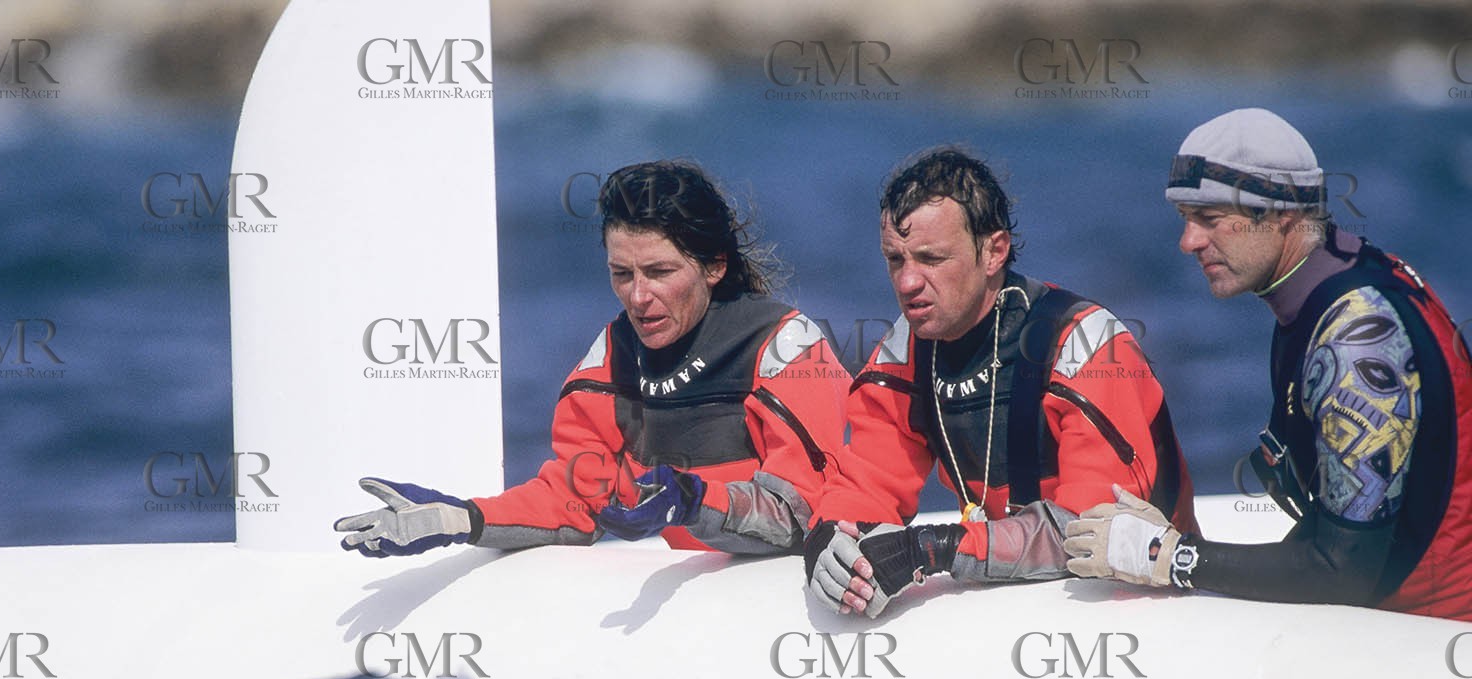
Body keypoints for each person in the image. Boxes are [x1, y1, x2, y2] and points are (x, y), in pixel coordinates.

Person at [1064, 108, 1472, 621]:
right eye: (1185, 219)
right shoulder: (1334, 274)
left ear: (1282, 214)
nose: (1187, 242)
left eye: (1210, 220)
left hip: (1435, 641)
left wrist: (1167, 557)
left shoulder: (1357, 338)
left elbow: (1343, 571)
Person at [335, 160, 849, 558]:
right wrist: (461, 520)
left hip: (795, 592)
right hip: (699, 601)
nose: (638, 296)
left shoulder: (787, 347)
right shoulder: (613, 359)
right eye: (622, 274)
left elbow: (796, 515)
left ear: (714, 265)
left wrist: (693, 500)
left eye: (659, 271)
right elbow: (575, 499)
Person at [806, 146, 1195, 617]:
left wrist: (934, 549)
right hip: (1015, 595)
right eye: (895, 259)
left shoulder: (1086, 347)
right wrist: (832, 541)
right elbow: (863, 485)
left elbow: (1093, 534)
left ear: (994, 251)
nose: (908, 282)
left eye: (931, 258)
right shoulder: (907, 349)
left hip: (1146, 602)